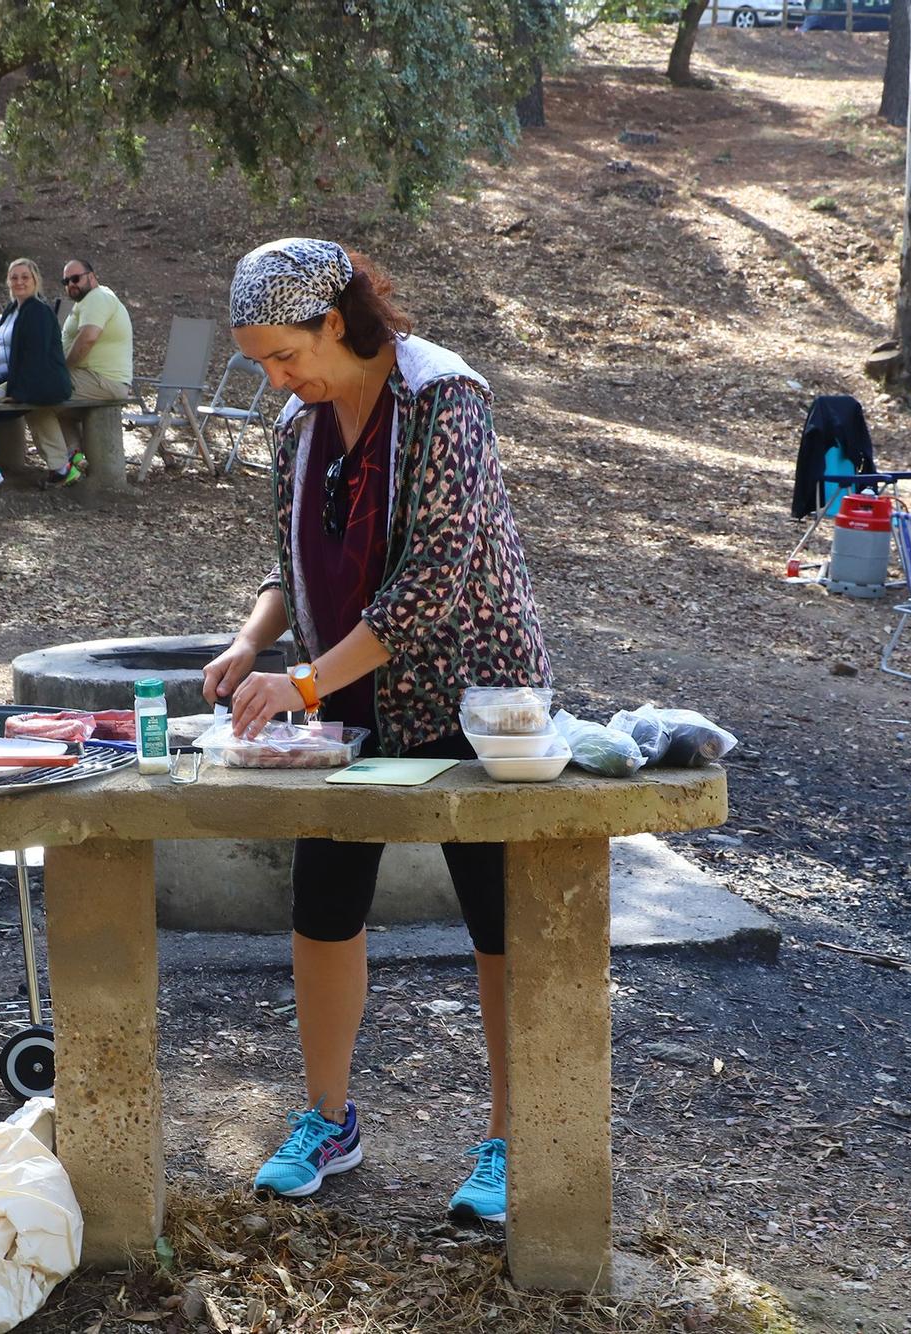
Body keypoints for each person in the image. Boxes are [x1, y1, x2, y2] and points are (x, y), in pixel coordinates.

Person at [201, 238, 552, 1226]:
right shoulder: (298, 423)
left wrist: (301, 681)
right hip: (346, 697)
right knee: (324, 897)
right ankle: (327, 1116)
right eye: (262, 362)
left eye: (283, 354)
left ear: (333, 321)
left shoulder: (446, 399)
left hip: (472, 694)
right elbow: (287, 564)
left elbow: (432, 579)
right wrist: (246, 648)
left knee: (494, 912)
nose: (276, 377)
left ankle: (512, 1136)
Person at [24, 258, 133, 486]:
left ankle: (61, 469)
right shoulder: (89, 301)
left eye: (76, 278)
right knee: (54, 407)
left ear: (91, 277)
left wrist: (60, 371)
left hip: (101, 380)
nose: (71, 284)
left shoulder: (97, 298)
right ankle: (74, 459)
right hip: (93, 379)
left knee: (34, 395)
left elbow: (88, 338)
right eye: (66, 281)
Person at [0, 258, 73, 486]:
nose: (19, 282)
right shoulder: (13, 308)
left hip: (26, 384)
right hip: (4, 378)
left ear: (35, 280)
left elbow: (37, 358)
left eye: (25, 277)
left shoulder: (37, 312)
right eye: (14, 277)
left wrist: (19, 393)